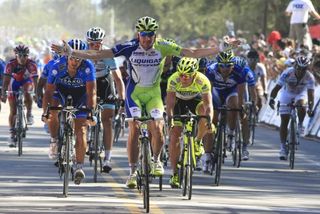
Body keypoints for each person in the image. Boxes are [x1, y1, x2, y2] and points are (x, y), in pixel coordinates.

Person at [51, 16, 239, 189]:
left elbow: (192, 52)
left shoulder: (163, 45)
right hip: (135, 93)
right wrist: (71, 51)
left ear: (154, 35)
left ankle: (156, 160)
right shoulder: (130, 46)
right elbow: (98, 55)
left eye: (150, 36)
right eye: (143, 35)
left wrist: (221, 48)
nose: (147, 40)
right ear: (138, 34)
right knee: (134, 127)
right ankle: (133, 172)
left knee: (157, 126)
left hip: (154, 93)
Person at [45, 39, 96, 184]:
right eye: (73, 57)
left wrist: (90, 112)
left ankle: (79, 167)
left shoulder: (88, 67)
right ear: (67, 56)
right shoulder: (57, 66)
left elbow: (91, 91)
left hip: (80, 95)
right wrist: (46, 112)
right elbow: (48, 92)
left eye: (79, 58)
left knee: (81, 129)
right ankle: (54, 140)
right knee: (53, 111)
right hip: (60, 93)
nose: (75, 61)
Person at [166, 57, 213, 188]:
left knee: (204, 112)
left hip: (195, 100)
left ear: (194, 73)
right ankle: (175, 174)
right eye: (181, 74)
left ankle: (197, 141)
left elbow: (209, 105)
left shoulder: (202, 80)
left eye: (187, 75)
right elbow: (169, 103)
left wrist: (209, 119)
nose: (184, 78)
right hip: (178, 102)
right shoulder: (173, 79)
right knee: (175, 134)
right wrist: (169, 119)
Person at [204, 51, 256, 166]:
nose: (225, 68)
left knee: (234, 107)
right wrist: (210, 108)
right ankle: (208, 151)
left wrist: (241, 106)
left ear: (233, 65)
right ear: (218, 64)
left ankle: (231, 134)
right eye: (222, 65)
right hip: (216, 91)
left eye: (228, 66)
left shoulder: (240, 71)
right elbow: (208, 91)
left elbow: (241, 92)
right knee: (212, 120)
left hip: (231, 92)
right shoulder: (211, 70)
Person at [85, 27, 125, 173]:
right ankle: (86, 139)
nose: (95, 47)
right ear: (87, 42)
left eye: (98, 44)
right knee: (84, 114)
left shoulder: (108, 54)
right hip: (89, 83)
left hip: (105, 83)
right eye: (92, 44)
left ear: (102, 42)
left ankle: (107, 159)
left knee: (107, 120)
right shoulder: (83, 53)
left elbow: (118, 79)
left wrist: (122, 99)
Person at [269, 55, 315, 160]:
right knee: (284, 120)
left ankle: (300, 124)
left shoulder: (309, 77)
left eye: (304, 69)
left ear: (306, 69)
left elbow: (311, 95)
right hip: (287, 93)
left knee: (301, 104)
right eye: (299, 68)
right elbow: (277, 88)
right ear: (295, 67)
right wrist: (272, 99)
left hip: (301, 94)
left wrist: (310, 108)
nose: (301, 71)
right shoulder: (287, 73)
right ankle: (283, 147)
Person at [1, 44, 38, 147]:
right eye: (20, 55)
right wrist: (3, 92)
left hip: (26, 81)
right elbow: (6, 80)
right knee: (13, 110)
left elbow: (35, 80)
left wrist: (36, 93)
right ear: (16, 55)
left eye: (25, 55)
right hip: (14, 83)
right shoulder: (11, 64)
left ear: (28, 55)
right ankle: (12, 134)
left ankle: (29, 113)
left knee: (27, 92)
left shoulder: (32, 64)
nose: (22, 58)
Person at [246, 49, 267, 114]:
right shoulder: (244, 67)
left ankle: (256, 115)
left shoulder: (261, 67)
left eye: (254, 60)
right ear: (248, 59)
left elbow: (263, 80)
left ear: (257, 60)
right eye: (251, 60)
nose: (252, 62)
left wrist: (265, 91)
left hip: (256, 84)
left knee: (260, 100)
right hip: (246, 84)